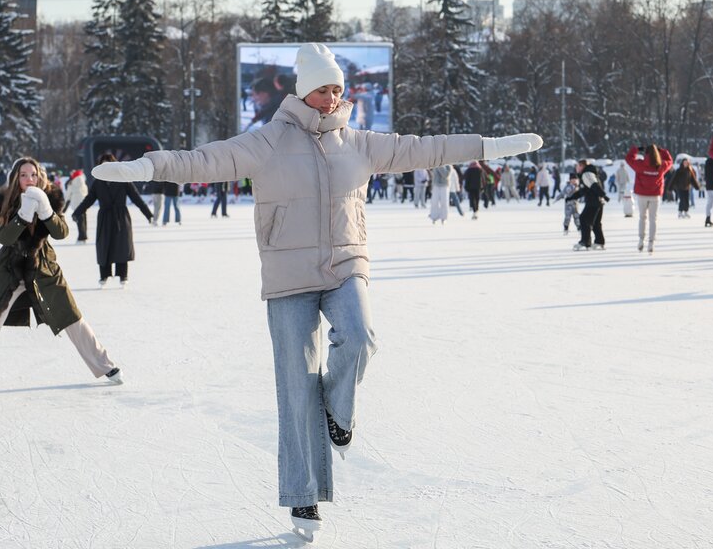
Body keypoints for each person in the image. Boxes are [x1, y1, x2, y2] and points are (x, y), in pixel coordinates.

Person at [90, 42, 542, 541]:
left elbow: (426, 147)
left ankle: (337, 410)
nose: (332, 98)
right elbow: (203, 160)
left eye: (337, 90)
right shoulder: (267, 142)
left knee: (360, 336)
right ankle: (303, 500)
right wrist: (145, 168)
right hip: (288, 277)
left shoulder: (360, 142)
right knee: (295, 386)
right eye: (323, 90)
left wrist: (489, 146)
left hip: (346, 264)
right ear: (303, 91)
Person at [0, 157, 123, 394]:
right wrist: (22, 217)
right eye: (24, 175)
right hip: (9, 271)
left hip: (44, 269)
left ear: (39, 176)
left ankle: (105, 365)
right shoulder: (4, 201)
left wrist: (46, 212)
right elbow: (4, 238)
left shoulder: (49, 197)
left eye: (33, 175)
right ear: (16, 177)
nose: (29, 179)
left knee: (73, 318)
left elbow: (61, 232)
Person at [72, 153, 153, 287]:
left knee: (122, 245)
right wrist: (77, 212)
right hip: (105, 217)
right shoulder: (98, 183)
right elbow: (89, 199)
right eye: (103, 166)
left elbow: (136, 198)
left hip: (121, 217)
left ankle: (123, 275)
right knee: (104, 246)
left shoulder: (124, 179)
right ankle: (104, 275)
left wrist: (148, 214)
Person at [626, 144, 673, 253]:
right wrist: (663, 151)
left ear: (645, 153)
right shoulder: (661, 166)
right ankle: (651, 243)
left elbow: (629, 159)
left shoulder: (640, 164)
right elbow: (670, 161)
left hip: (642, 195)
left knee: (642, 218)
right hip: (655, 195)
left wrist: (636, 149)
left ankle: (641, 240)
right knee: (653, 219)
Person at [568, 160, 608, 250]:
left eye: (578, 166)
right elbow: (584, 190)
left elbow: (594, 186)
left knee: (584, 219)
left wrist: (603, 195)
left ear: (582, 166)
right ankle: (599, 241)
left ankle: (585, 242)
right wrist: (572, 197)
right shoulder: (587, 174)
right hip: (597, 202)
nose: (576, 168)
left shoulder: (587, 174)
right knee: (595, 223)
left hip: (594, 202)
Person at [63, 169, 89, 243]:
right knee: (84, 220)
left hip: (76, 203)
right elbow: (86, 191)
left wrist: (65, 204)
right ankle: (84, 236)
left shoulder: (72, 182)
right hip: (84, 203)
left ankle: (81, 237)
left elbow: (68, 195)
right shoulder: (83, 182)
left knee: (79, 221)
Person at [704, 157, 713, 227]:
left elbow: (706, 174)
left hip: (709, 186)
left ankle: (708, 217)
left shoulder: (707, 161)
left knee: (709, 203)